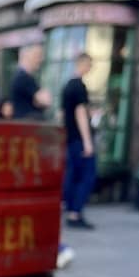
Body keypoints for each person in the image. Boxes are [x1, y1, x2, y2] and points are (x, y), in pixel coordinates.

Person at [62, 53, 96, 229]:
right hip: (79, 140)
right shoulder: (79, 86)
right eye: (90, 65)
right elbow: (81, 114)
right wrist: (88, 142)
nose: (91, 68)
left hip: (70, 138)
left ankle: (72, 211)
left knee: (74, 176)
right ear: (82, 64)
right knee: (86, 176)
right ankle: (75, 213)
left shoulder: (67, 86)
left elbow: (63, 114)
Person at [3, 44, 52, 121]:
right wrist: (39, 100)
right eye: (37, 55)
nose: (40, 59)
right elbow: (45, 101)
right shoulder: (24, 77)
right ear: (27, 55)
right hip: (26, 126)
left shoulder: (22, 76)